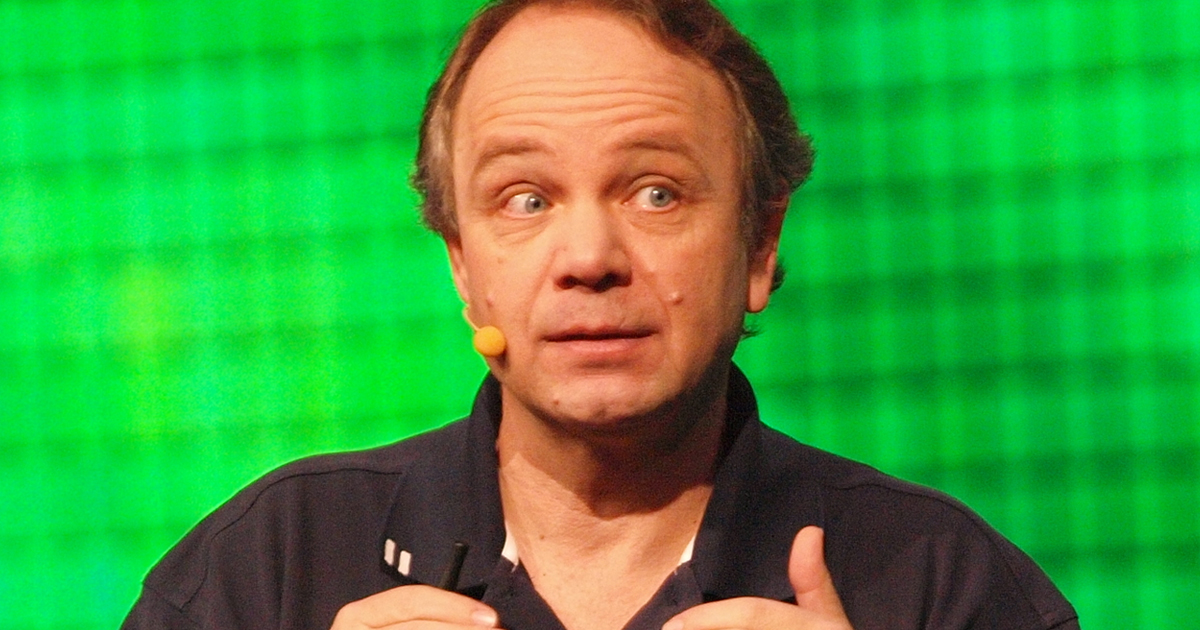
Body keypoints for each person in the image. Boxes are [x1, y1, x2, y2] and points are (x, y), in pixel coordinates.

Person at [122, 1, 1081, 629]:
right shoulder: (265, 572)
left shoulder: (944, 585)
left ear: (759, 245)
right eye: (526, 200)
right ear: (462, 264)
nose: (589, 259)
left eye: (657, 193)